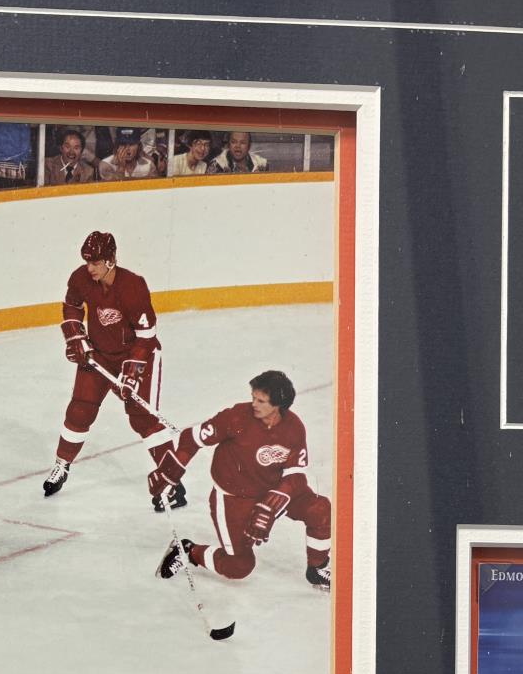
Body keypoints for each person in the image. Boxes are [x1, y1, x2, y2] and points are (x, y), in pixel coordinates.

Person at [153, 369, 331, 590]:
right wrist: (172, 470)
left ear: (278, 405)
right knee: (239, 566)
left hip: (272, 489)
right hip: (234, 499)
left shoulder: (294, 427)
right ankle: (189, 551)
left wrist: (274, 503)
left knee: (320, 510)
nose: (253, 404)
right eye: (253, 397)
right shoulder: (236, 417)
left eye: (261, 401)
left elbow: (296, 474)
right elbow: (192, 438)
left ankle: (317, 568)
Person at [42, 231, 178, 511]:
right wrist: (76, 337)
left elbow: (147, 335)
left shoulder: (133, 286)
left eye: (95, 262)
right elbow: (71, 306)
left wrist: (132, 372)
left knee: (143, 419)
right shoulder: (81, 278)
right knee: (79, 410)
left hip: (138, 355)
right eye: (87, 262)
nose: (89, 268)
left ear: (110, 261)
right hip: (99, 355)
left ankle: (172, 483)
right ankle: (62, 465)